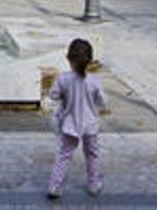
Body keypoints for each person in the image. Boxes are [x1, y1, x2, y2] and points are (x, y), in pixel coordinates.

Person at [47, 39, 107, 200]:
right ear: (90, 61)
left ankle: (54, 185)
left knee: (64, 154)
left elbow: (53, 95)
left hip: (70, 125)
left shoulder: (63, 78)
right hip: (90, 126)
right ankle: (93, 184)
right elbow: (102, 102)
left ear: (69, 59)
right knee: (92, 154)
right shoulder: (94, 81)